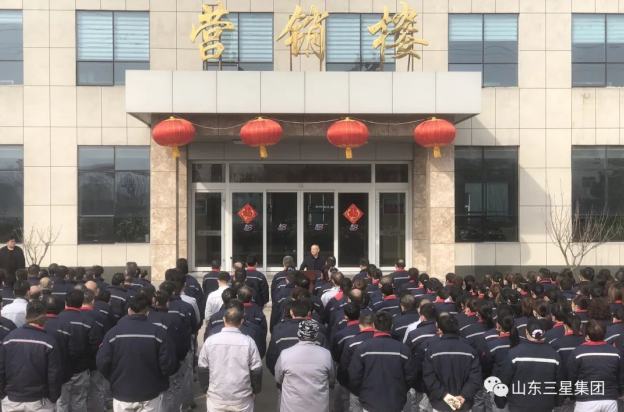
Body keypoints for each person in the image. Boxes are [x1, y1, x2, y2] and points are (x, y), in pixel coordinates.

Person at [97, 295, 175, 412]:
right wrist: (158, 380)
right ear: (147, 313)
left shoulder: (113, 334)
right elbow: (167, 363)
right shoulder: (158, 333)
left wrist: (114, 379)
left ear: (129, 311)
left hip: (122, 392)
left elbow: (102, 362)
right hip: (150, 393)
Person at [198, 302, 262, 412]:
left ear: (224, 319)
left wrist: (205, 389)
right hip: (242, 399)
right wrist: (255, 390)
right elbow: (256, 370)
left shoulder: (210, 341)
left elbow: (202, 367)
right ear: (241, 321)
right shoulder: (248, 342)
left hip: (216, 398)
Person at [0, 301, 62, 412]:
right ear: (44, 320)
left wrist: (3, 395)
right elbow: (54, 374)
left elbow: (1, 369)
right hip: (39, 402)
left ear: (26, 317)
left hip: (12, 400)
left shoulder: (9, 339)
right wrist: (53, 397)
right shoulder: (49, 342)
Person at [348, 312, 416, 412]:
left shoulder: (363, 348)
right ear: (391, 326)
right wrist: (400, 391)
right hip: (395, 402)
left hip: (370, 403)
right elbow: (411, 376)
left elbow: (354, 376)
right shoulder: (402, 349)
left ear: (374, 326)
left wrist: (363, 394)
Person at [499, 318, 562, 412]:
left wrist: (500, 400)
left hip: (518, 405)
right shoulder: (554, 355)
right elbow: (560, 383)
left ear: (526, 332)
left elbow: (504, 379)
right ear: (543, 333)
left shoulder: (514, 354)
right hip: (545, 406)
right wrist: (557, 402)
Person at [423, 315, 482, 412]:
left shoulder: (432, 351)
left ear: (440, 330)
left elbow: (429, 377)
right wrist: (463, 396)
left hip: (441, 405)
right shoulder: (470, 350)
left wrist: (445, 396)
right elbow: (475, 378)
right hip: (464, 405)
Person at [275, 320, 335, 412]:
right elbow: (331, 379)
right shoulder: (326, 354)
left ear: (299, 334)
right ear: (316, 336)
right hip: (318, 407)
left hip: (291, 407)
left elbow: (278, 378)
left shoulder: (285, 354)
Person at [58, 289, 102, 412]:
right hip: (81, 369)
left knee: (61, 402)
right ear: (82, 302)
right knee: (79, 401)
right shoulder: (88, 321)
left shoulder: (58, 319)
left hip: (61, 368)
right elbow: (96, 345)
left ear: (66, 303)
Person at [568, 320, 624, 412]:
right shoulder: (616, 353)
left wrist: (571, 394)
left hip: (585, 401)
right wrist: (621, 393)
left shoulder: (577, 353)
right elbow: (621, 376)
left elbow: (572, 376)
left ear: (587, 336)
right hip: (610, 400)